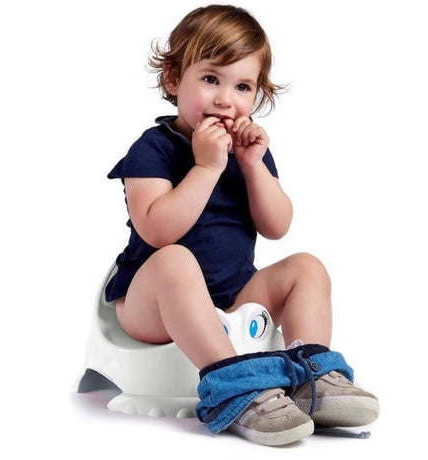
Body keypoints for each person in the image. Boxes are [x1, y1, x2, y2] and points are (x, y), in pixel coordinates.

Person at [105, 4, 379, 446]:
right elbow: (157, 230)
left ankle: (312, 377)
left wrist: (252, 166)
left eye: (243, 86)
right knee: (175, 259)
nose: (225, 99)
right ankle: (235, 389)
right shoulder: (154, 148)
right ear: (173, 79)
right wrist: (206, 168)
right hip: (151, 306)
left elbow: (277, 226)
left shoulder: (247, 150)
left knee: (306, 266)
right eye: (211, 79)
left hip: (233, 296)